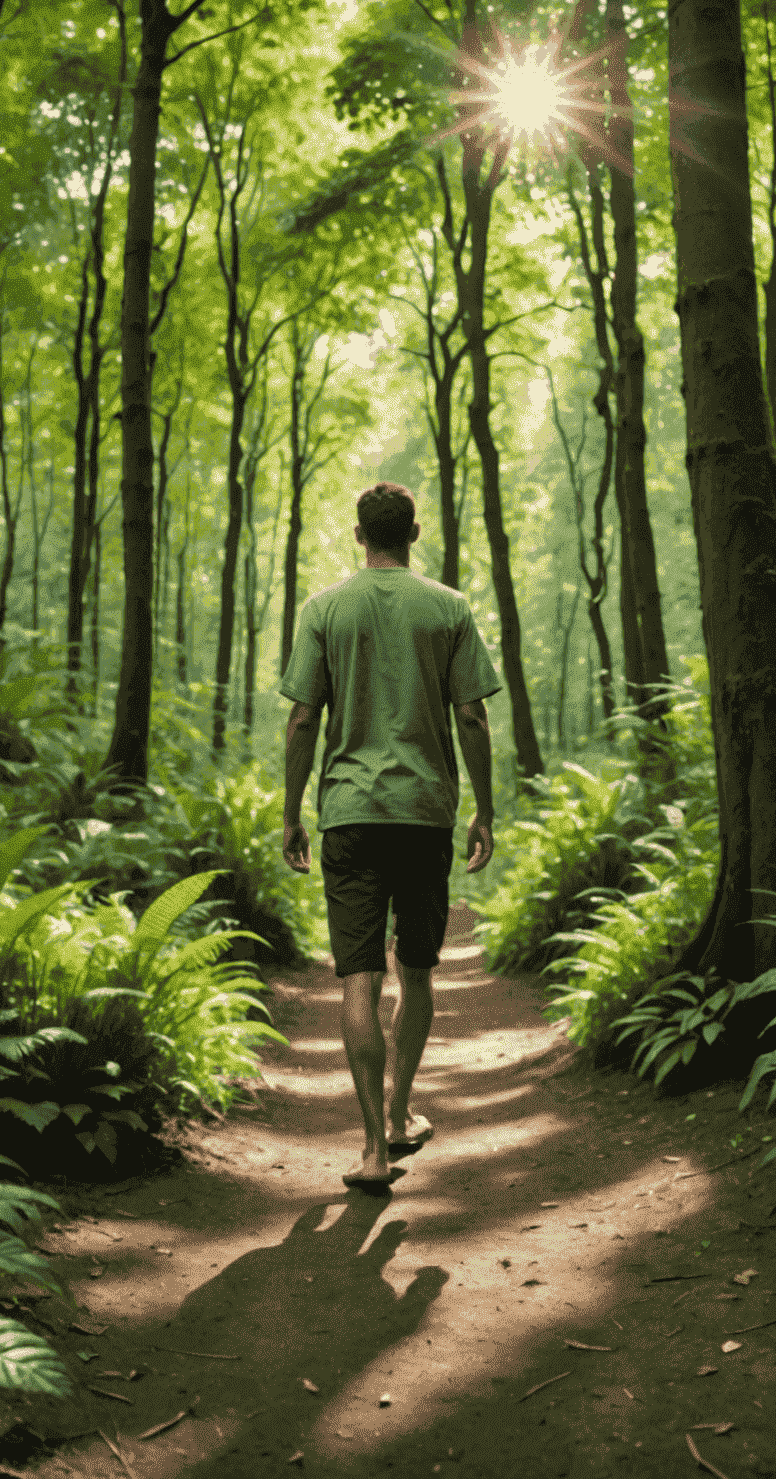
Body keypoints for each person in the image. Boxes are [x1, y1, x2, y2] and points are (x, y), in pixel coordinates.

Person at [278, 481, 502, 1187]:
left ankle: (373, 1150)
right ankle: (402, 1114)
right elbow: (472, 716)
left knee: (359, 978)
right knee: (417, 969)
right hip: (424, 813)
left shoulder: (324, 610)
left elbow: (303, 719)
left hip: (348, 814)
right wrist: (485, 808)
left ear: (358, 534)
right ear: (413, 533)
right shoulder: (449, 608)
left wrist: (291, 812)